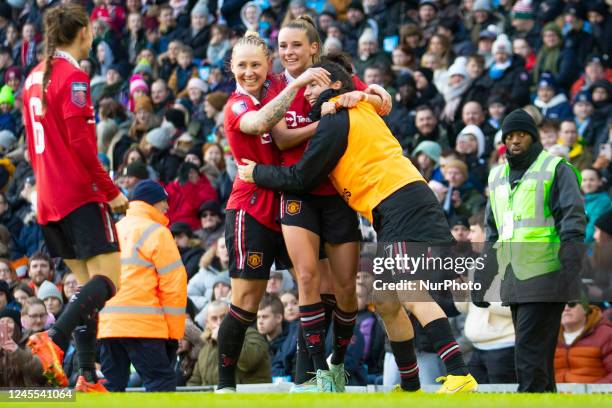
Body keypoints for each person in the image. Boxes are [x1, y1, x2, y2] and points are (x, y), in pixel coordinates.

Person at [238, 56, 477, 393]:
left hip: (402, 201)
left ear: (336, 87)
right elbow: (380, 100)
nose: (307, 93)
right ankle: (410, 387)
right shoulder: (355, 108)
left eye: (314, 85)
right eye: (304, 87)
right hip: (397, 204)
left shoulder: (337, 116)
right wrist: (372, 95)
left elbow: (302, 176)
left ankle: (459, 373)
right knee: (386, 300)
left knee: (408, 291)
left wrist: (256, 173)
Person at [216, 30, 330, 393]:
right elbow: (259, 124)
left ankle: (306, 379)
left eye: (255, 65)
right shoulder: (237, 104)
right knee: (247, 302)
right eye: (241, 66)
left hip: (290, 200)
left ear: (269, 66)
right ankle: (224, 385)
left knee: (311, 287)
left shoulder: (277, 84)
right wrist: (295, 89)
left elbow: (313, 68)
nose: (248, 72)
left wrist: (370, 91)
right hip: (250, 208)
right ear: (230, 68)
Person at [21, 4, 128, 391]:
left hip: (48, 199)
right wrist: (111, 190)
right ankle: (53, 338)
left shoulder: (34, 77)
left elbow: (36, 148)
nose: (95, 35)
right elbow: (84, 148)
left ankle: (85, 375)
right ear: (83, 31)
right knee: (109, 280)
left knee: (87, 291)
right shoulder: (73, 77)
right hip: (79, 196)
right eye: (93, 29)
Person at [484, 108, 587, 392]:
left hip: (547, 272)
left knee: (529, 352)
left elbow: (573, 221)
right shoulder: (497, 177)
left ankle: (528, 399)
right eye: (510, 136)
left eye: (522, 135)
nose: (515, 141)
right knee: (537, 356)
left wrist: (571, 273)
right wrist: (484, 279)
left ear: (534, 138)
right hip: (514, 277)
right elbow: (493, 230)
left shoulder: (556, 168)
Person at [98, 180, 187, 392]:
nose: (167, 207)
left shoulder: (112, 230)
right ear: (152, 203)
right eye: (164, 201)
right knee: (161, 384)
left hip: (110, 324)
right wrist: (173, 334)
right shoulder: (157, 232)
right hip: (143, 324)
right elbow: (174, 284)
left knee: (111, 387)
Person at [188, 300, 271, 386]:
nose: (219, 322)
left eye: (223, 317)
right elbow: (194, 383)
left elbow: (248, 362)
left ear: (232, 317)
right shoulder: (205, 351)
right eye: (214, 318)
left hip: (250, 397)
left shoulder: (250, 334)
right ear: (207, 323)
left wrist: (223, 337)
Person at [554, 301, 612, 384]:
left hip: (594, 395)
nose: (566, 308)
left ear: (585, 308)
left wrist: (594, 391)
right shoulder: (547, 336)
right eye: (561, 305)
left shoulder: (606, 334)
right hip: (552, 396)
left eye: (572, 304)